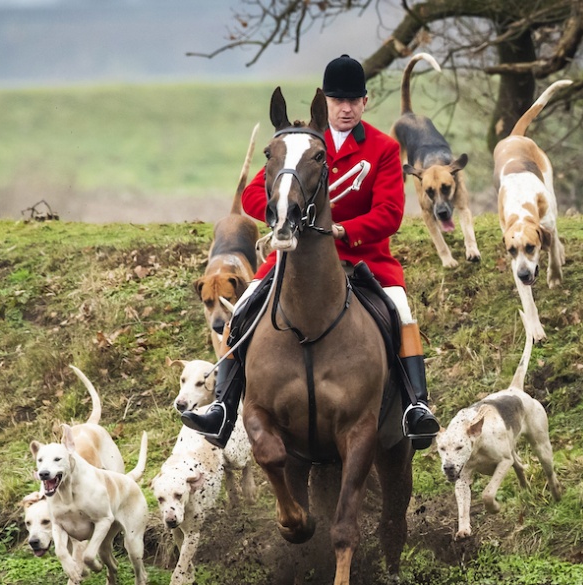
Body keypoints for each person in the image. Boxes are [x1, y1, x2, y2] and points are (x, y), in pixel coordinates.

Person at [181, 54, 441, 450]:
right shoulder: (299, 144)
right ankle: (223, 407)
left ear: (365, 102)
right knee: (246, 303)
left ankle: (415, 406)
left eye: (354, 100)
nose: (346, 107)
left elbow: (389, 214)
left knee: (400, 310)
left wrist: (340, 230)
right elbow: (254, 194)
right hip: (294, 259)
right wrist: (280, 210)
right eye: (338, 100)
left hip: (362, 258)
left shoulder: (383, 148)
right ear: (326, 103)